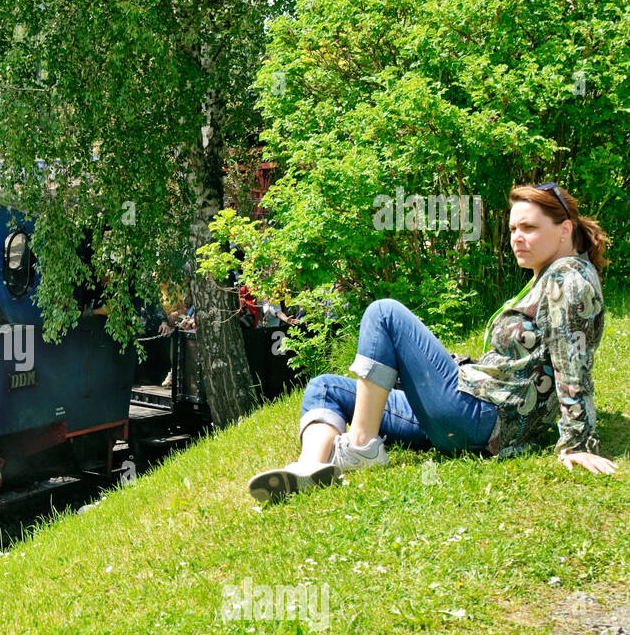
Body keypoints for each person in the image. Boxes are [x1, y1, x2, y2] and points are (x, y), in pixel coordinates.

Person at [248, 182, 617, 503]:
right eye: (513, 228)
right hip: (468, 414)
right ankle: (310, 468)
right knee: (325, 387)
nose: (517, 237)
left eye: (530, 228)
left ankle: (359, 448)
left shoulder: (568, 280)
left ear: (564, 229)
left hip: (483, 418)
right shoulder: (550, 275)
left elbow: (573, 361)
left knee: (384, 313)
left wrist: (577, 443)